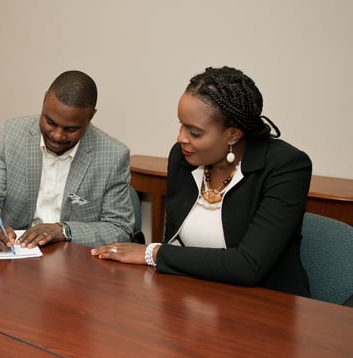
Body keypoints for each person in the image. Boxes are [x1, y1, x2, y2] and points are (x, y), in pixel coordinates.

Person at [92, 66, 312, 297]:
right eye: (181, 124)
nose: (181, 138)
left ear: (233, 135)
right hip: (193, 298)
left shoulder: (287, 166)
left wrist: (153, 253)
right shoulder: (183, 157)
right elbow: (175, 241)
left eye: (195, 133)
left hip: (266, 306)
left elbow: (249, 265)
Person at [0, 70, 134, 251]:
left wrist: (64, 230)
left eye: (70, 129)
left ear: (90, 116)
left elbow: (119, 228)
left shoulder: (113, 155)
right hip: (13, 256)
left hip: (73, 264)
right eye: (50, 122)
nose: (57, 135)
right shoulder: (12, 134)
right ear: (44, 100)